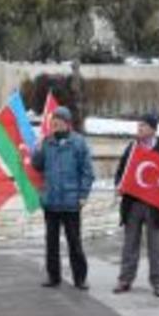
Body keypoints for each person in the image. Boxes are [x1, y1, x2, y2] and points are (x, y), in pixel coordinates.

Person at [113, 114, 159, 298]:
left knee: (156, 246)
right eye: (139, 126)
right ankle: (125, 279)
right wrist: (119, 185)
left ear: (153, 129)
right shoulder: (132, 147)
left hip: (155, 206)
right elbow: (122, 170)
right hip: (133, 204)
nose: (139, 129)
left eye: (143, 126)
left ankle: (158, 281)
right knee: (130, 244)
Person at [31, 106, 95, 290]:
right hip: (51, 202)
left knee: (74, 243)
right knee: (51, 243)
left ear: (67, 124)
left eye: (57, 122)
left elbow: (87, 173)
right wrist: (38, 149)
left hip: (71, 203)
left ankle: (80, 278)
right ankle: (53, 276)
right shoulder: (48, 142)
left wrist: (83, 195)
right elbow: (37, 165)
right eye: (52, 122)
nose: (54, 125)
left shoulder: (79, 143)